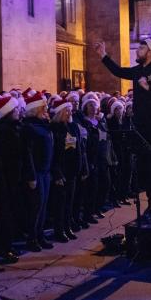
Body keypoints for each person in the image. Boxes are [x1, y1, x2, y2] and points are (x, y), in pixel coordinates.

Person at [95, 38, 151, 222]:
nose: (138, 50)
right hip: (141, 127)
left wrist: (148, 87)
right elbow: (119, 71)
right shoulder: (139, 70)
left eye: (142, 47)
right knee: (146, 170)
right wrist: (103, 55)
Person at [0, 95, 23, 263]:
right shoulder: (4, 131)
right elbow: (6, 158)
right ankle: (5, 247)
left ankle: (8, 245)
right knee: (6, 215)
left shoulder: (12, 128)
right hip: (6, 179)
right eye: (15, 109)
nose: (18, 111)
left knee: (11, 213)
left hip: (12, 177)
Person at [20, 92, 54, 251]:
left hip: (46, 171)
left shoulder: (42, 124)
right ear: (36, 109)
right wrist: (31, 175)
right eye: (44, 106)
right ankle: (32, 238)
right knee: (35, 207)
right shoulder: (29, 127)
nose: (47, 109)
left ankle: (40, 235)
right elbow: (27, 154)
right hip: (37, 173)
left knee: (44, 205)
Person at [49, 98, 86, 242]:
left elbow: (80, 149)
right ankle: (59, 230)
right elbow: (53, 152)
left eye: (70, 110)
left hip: (72, 170)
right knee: (60, 202)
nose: (70, 112)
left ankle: (67, 226)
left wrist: (82, 167)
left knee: (70, 200)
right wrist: (57, 172)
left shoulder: (73, 127)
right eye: (66, 110)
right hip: (61, 169)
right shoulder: (55, 128)